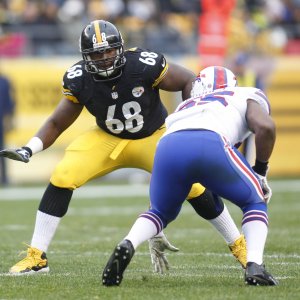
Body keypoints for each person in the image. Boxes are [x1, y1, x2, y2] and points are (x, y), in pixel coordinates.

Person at [0, 20, 246, 275]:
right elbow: (56, 121)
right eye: (97, 53)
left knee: (195, 186)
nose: (104, 58)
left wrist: (191, 121)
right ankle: (37, 258)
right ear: (86, 57)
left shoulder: (143, 64)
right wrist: (30, 148)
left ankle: (240, 246)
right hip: (108, 138)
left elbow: (188, 81)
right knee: (63, 175)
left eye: (108, 50)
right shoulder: (79, 78)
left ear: (120, 48)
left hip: (153, 135)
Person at [102, 66, 278, 286]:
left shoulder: (185, 106)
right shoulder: (245, 94)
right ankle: (255, 266)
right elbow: (266, 127)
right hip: (210, 142)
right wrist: (260, 171)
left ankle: (128, 242)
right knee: (255, 201)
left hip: (167, 146)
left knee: (159, 212)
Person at [0, 69, 15, 185]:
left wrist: (9, 119)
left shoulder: (5, 80)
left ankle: (5, 178)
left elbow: (10, 102)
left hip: (1, 119)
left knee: (2, 150)